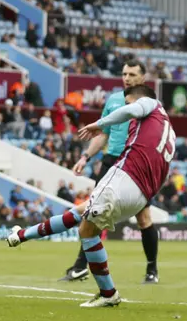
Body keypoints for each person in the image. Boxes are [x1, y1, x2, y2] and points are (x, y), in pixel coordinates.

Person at [6, 85, 175, 307]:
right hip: (142, 195)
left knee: (87, 230)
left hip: (125, 178)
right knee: (81, 212)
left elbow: (133, 110)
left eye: (128, 102)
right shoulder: (167, 127)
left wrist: (100, 123)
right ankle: (22, 235)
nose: (127, 107)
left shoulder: (150, 104)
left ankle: (108, 293)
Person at [60, 60, 161, 285]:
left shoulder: (150, 104)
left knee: (143, 219)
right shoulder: (114, 100)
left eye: (132, 74)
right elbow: (103, 133)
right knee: (92, 213)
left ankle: (152, 270)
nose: (127, 78)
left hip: (134, 164)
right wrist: (85, 157)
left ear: (143, 78)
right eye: (124, 73)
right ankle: (79, 267)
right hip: (110, 161)